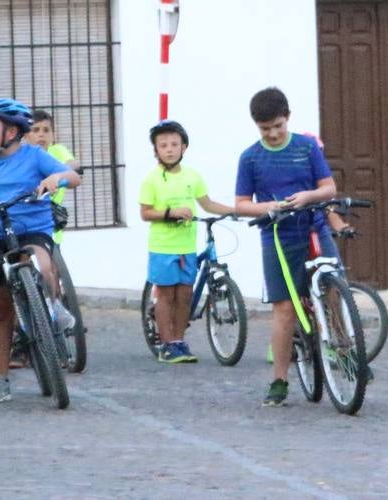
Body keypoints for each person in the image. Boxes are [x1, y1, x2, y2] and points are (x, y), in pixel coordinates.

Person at [0, 98, 81, 404]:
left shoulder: (34, 156)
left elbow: (73, 177)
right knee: (1, 311)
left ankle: (53, 309)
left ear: (11, 131)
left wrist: (57, 177)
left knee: (42, 263)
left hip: (32, 230)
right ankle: (0, 380)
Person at [232, 87, 337, 407]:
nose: (274, 134)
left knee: (334, 294)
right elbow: (241, 204)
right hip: (277, 236)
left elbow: (329, 187)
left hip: (314, 228)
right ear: (257, 127)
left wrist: (307, 197)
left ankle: (348, 359)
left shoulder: (306, 148)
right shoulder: (250, 157)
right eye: (266, 129)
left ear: (287, 118)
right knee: (284, 309)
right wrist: (269, 207)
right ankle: (280, 379)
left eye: (278, 126)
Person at [140, 119, 236, 363]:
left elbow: (207, 203)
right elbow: (145, 213)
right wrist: (169, 213)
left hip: (187, 247)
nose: (170, 149)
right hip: (163, 247)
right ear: (156, 150)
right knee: (166, 295)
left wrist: (235, 210)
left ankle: (179, 341)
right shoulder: (151, 180)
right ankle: (166, 344)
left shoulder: (193, 176)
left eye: (175, 144)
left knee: (185, 295)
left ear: (184, 147)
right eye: (163, 145)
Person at [26, 109, 77, 242]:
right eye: (35, 130)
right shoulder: (21, 156)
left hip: (50, 229)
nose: (41, 134)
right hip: (25, 225)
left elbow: (73, 165)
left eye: (46, 130)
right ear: (25, 135)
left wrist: (59, 174)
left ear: (53, 136)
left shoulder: (58, 151)